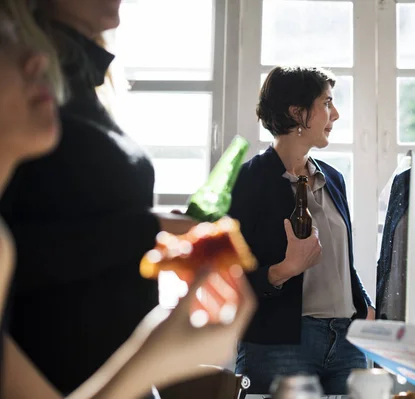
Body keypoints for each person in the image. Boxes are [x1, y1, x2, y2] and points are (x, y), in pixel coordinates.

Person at [0, 5, 256, 398]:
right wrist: (147, 229)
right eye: (6, 42)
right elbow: (31, 247)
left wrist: (150, 360)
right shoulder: (43, 109)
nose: (35, 61)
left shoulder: (79, 93)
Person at [229, 66, 375, 395]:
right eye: (327, 103)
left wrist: (365, 306)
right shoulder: (247, 182)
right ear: (297, 112)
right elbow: (227, 278)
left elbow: (341, 261)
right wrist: (282, 271)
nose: (335, 114)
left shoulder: (334, 178)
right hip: (279, 344)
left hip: (347, 343)